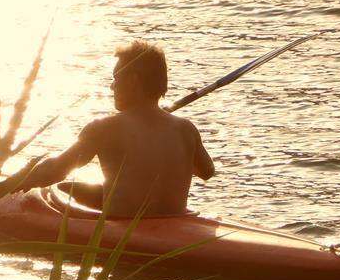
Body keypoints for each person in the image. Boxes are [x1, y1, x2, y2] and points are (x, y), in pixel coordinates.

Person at [18, 40, 215, 216]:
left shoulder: (105, 128)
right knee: (83, 189)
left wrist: (14, 182)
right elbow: (206, 171)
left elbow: (55, 170)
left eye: (116, 77)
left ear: (133, 80)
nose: (112, 86)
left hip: (125, 231)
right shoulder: (185, 129)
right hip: (175, 225)